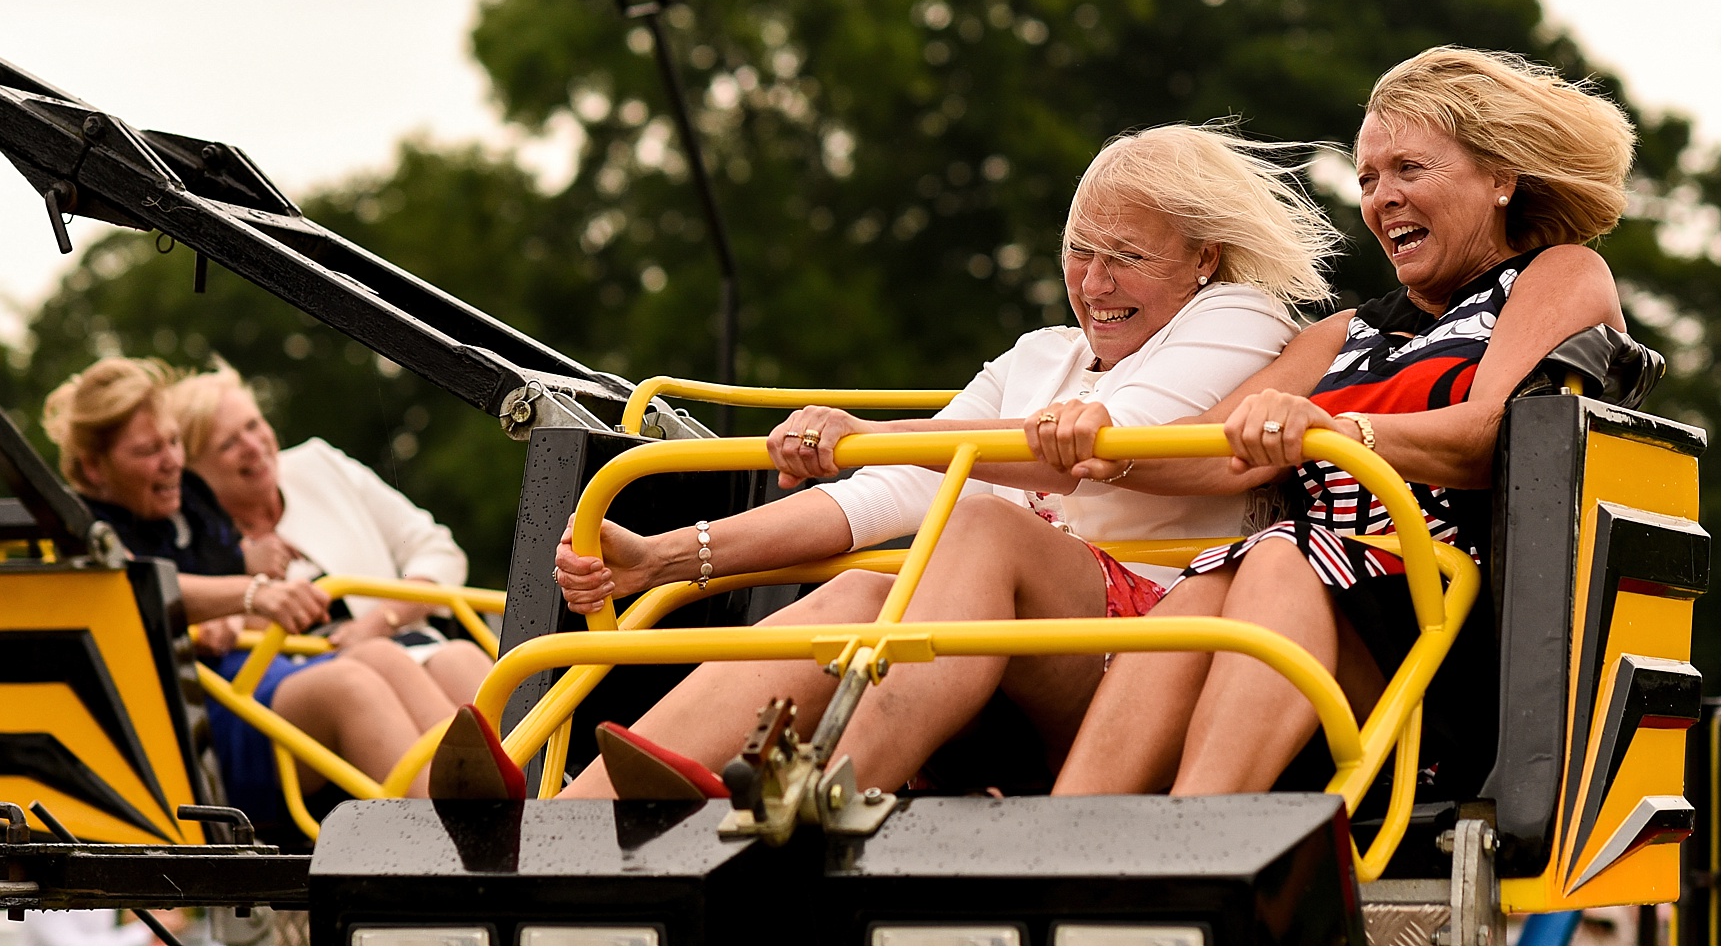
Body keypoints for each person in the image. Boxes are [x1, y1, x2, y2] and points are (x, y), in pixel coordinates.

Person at [521, 122, 1343, 800]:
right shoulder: (1040, 355)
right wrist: (667, 557)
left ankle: (835, 796)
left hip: (1155, 656)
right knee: (856, 591)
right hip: (1008, 658)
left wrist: (866, 435)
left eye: (1126, 255)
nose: (1094, 282)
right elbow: (894, 488)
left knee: (985, 528)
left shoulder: (1242, 317)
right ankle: (571, 815)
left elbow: (1091, 444)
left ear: (1204, 257)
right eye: (1079, 250)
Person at [1032, 47, 1635, 801]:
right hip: (1309, 611)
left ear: (1501, 178)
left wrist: (1341, 428)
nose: (1384, 198)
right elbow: (1214, 452)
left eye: (1410, 169)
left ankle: (1194, 841)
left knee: (1276, 556)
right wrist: (1100, 444)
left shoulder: (1557, 275)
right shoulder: (1343, 332)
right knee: (1211, 582)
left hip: (1450, 631)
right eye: (1369, 179)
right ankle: (1071, 846)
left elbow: (1493, 432)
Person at [41, 357, 443, 817]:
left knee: (380, 655)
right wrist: (248, 593)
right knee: (350, 685)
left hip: (249, 682)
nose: (171, 461)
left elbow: (219, 581)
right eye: (147, 451)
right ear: (94, 470)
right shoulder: (82, 530)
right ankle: (450, 838)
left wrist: (244, 587)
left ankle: (494, 795)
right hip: (188, 726)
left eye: (173, 442)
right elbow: (137, 585)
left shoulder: (188, 504)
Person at [169, 363, 493, 706]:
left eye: (253, 425)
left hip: (407, 643)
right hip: (311, 684)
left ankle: (525, 760)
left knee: (460, 658)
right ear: (194, 472)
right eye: (228, 444)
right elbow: (219, 633)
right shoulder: (193, 539)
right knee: (381, 666)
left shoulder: (317, 464)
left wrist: (382, 620)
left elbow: (439, 551)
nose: (253, 445)